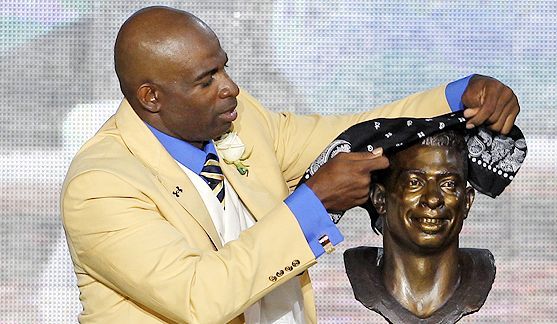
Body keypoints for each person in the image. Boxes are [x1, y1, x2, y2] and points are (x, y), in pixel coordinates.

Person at [60, 5, 520, 324]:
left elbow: (349, 133)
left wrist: (458, 98)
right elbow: (198, 296)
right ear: (151, 97)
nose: (231, 88)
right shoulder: (102, 185)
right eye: (208, 80)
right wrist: (313, 204)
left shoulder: (240, 125)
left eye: (224, 67)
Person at [344, 130, 499, 323]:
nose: (433, 199)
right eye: (415, 182)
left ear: (467, 202)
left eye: (448, 184)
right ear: (380, 199)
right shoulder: (346, 286)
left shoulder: (496, 286)